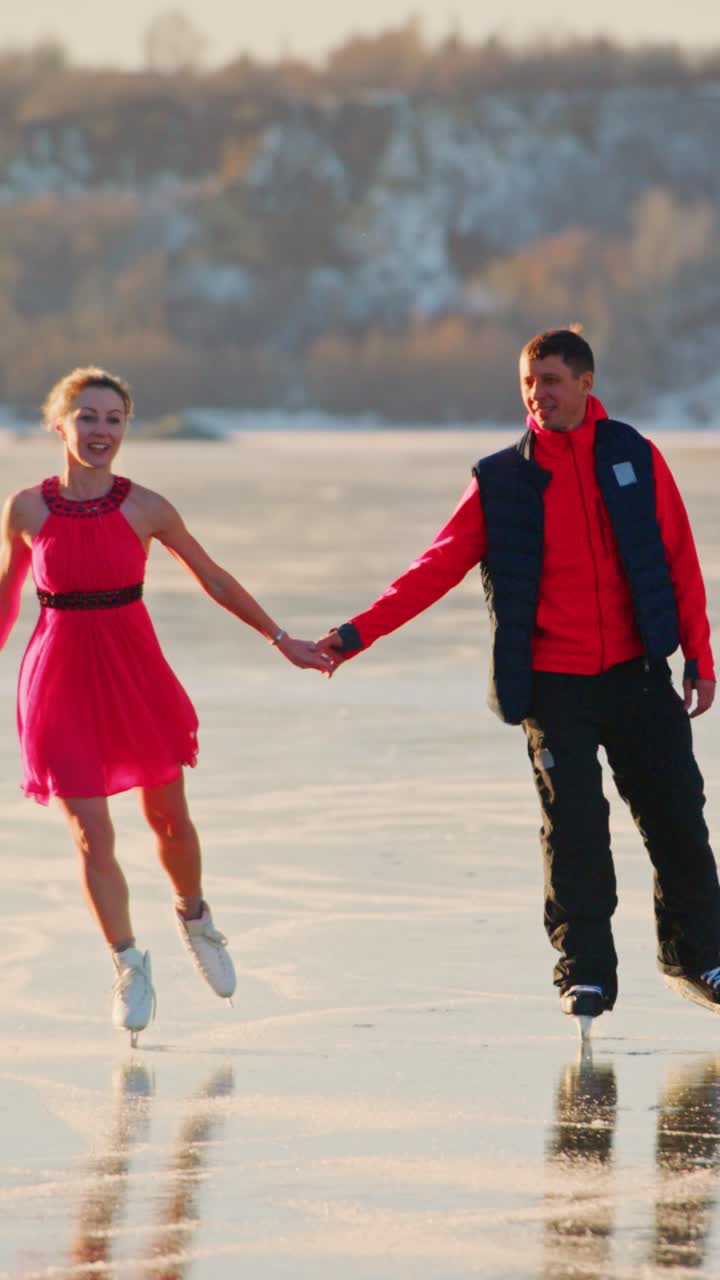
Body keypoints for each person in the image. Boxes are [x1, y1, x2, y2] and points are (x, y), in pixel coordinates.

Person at [315, 328, 720, 1029]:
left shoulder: (634, 456)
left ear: (587, 384)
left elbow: (680, 558)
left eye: (553, 381)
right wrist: (354, 636)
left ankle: (698, 957)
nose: (539, 395)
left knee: (679, 820)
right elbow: (433, 568)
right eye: (530, 383)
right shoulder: (502, 480)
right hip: (554, 686)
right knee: (574, 834)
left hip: (637, 676)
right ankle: (586, 976)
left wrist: (701, 659)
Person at [0, 367, 333, 1042]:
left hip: (133, 673)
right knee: (92, 833)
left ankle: (195, 918)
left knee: (170, 822)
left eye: (113, 419)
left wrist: (279, 638)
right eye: (87, 417)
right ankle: (128, 963)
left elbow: (211, 575)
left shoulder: (146, 506)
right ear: (59, 424)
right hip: (58, 676)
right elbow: (8, 594)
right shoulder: (26, 509)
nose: (101, 431)